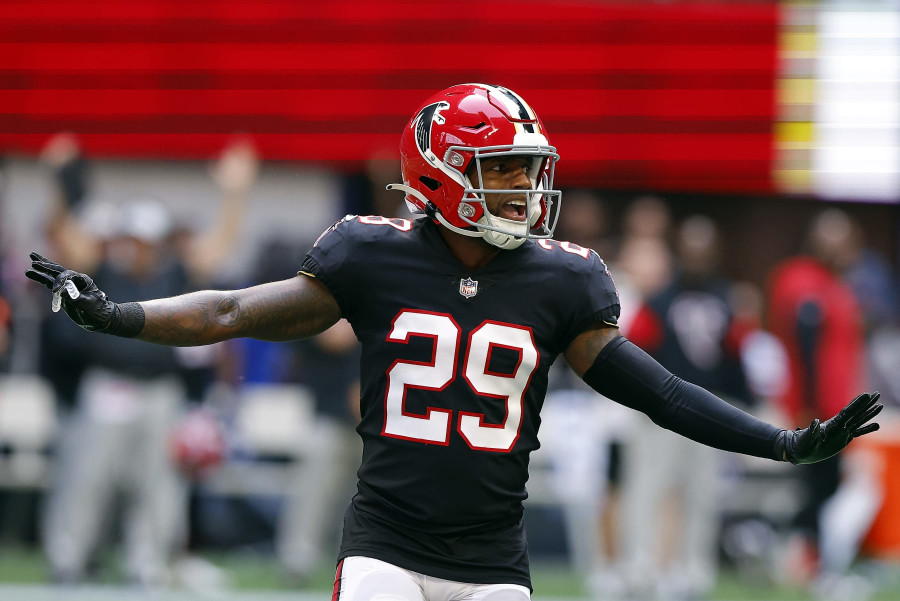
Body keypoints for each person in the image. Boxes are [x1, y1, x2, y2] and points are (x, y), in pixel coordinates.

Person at [26, 84, 882, 601]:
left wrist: (781, 442)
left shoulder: (562, 280)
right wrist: (120, 315)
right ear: (443, 173)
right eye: (505, 167)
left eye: (527, 167)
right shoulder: (371, 256)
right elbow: (229, 312)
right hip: (385, 549)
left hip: (491, 556)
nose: (525, 186)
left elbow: (655, 389)